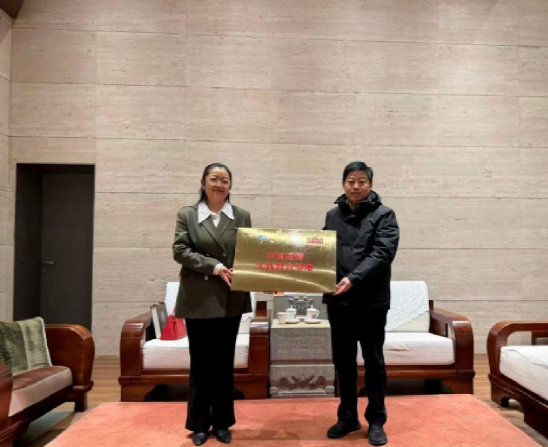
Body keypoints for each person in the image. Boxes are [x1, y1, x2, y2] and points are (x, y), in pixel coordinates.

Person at [173, 163, 252, 446]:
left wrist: (262, 275)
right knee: (201, 362)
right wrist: (215, 266)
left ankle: (222, 422)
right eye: (214, 179)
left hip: (231, 298)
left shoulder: (242, 216)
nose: (219, 184)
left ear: (230, 185)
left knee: (223, 363)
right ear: (203, 182)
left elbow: (249, 254)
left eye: (225, 180)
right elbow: (180, 250)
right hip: (198, 299)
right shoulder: (188, 214)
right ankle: (198, 424)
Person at [323, 161, 400, 446]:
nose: (356, 186)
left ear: (370, 184)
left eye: (362, 181)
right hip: (339, 301)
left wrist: (353, 278)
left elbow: (383, 253)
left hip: (371, 302)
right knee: (343, 362)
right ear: (343, 184)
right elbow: (321, 252)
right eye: (350, 181)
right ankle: (347, 417)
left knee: (374, 363)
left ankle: (376, 420)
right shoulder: (332, 215)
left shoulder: (384, 214)